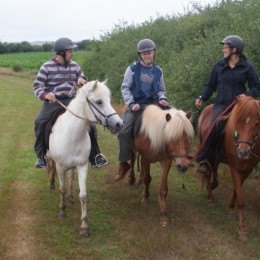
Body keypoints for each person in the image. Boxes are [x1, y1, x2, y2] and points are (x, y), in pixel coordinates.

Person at [33, 37, 108, 169]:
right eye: (70, 51)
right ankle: (41, 156)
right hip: (54, 101)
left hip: (72, 100)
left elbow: (83, 77)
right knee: (40, 121)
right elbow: (37, 86)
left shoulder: (74, 65)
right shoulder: (46, 67)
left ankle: (95, 156)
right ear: (61, 52)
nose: (72, 53)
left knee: (90, 123)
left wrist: (81, 79)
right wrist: (45, 95)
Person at [195, 35, 260, 174]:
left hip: (240, 107)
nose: (223, 50)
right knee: (214, 126)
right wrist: (202, 96)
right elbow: (210, 85)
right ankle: (203, 159)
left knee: (252, 126)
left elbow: (256, 87)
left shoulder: (247, 67)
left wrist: (247, 95)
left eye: (225, 47)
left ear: (234, 49)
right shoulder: (219, 65)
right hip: (221, 105)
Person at [114, 38, 169, 182]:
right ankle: (124, 163)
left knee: (177, 116)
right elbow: (125, 88)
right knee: (124, 132)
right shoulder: (132, 69)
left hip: (154, 105)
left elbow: (161, 90)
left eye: (149, 53)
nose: (147, 55)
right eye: (144, 54)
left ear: (154, 53)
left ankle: (177, 153)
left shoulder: (158, 71)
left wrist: (163, 98)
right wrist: (131, 103)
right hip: (137, 106)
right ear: (140, 55)